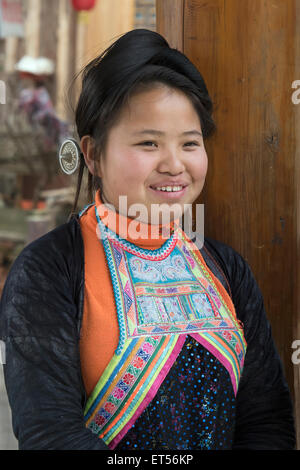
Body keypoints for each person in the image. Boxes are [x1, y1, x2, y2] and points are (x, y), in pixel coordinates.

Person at [0, 29, 296, 450]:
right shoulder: (49, 270)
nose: (175, 165)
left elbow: (267, 420)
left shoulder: (226, 268)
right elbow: (51, 434)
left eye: (190, 143)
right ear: (93, 154)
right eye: (148, 143)